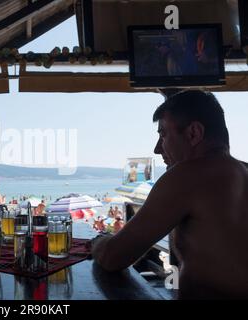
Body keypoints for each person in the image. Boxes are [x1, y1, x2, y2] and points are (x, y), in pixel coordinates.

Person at [91, 90, 248, 299]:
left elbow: (113, 256)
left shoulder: (188, 175)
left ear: (193, 133)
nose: (157, 149)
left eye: (163, 134)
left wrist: (97, 242)